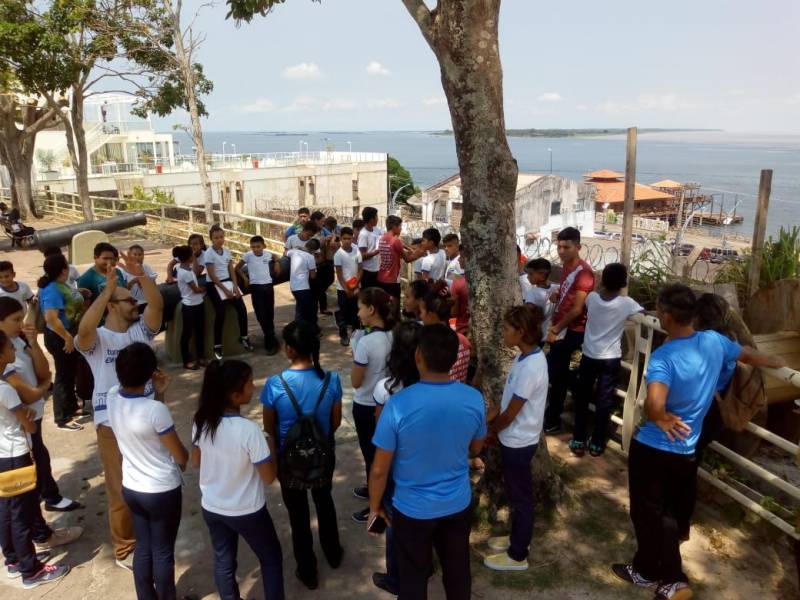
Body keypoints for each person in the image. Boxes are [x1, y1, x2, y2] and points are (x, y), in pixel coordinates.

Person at [612, 284, 783, 600]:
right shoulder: (715, 341)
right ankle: (649, 570)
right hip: (687, 447)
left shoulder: (665, 356)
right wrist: (778, 362)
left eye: (659, 311)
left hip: (653, 448)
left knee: (649, 513)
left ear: (666, 314)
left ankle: (667, 578)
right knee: (667, 513)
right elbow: (748, 354)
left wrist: (661, 418)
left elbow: (654, 403)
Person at [369, 324, 487, 600]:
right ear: (454, 357)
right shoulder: (473, 398)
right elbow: (476, 447)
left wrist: (375, 507)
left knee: (412, 577)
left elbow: (379, 468)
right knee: (458, 571)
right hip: (457, 503)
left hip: (412, 510)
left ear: (418, 356)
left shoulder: (398, 405)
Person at [76, 260, 164, 572]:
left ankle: (150, 536)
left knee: (152, 481)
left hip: (149, 420)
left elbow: (157, 303)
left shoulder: (142, 330)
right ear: (112, 305)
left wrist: (141, 276)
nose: (136, 304)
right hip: (111, 426)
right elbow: (83, 330)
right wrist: (107, 292)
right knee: (119, 487)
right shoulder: (97, 339)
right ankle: (125, 548)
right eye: (129, 300)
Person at [261, 321, 344, 590]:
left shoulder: (275, 385)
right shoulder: (331, 380)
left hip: (289, 463)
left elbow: (269, 428)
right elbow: (335, 422)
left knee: (298, 516)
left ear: (289, 349)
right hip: (322, 457)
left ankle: (307, 571)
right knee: (325, 503)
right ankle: (333, 554)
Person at [193, 359, 284, 600]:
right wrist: (271, 443)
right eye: (249, 383)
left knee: (223, 561)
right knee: (270, 557)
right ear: (235, 395)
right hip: (247, 511)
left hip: (212, 506)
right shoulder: (249, 430)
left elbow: (197, 461)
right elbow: (269, 477)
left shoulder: (201, 420)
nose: (254, 386)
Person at [108, 343, 188, 600]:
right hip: (161, 490)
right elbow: (180, 455)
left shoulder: (111, 396)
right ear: (151, 373)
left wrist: (159, 394)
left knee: (144, 547)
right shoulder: (155, 411)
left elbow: (148, 424)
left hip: (132, 486)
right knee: (163, 550)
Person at [0, 330, 73, 588]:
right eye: (9, 346)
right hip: (16, 455)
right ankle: (31, 571)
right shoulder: (6, 391)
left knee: (7, 512)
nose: (13, 350)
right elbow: (29, 427)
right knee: (22, 513)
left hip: (2, 456)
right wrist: (27, 416)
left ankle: (14, 560)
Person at [0, 297, 82, 512]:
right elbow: (28, 395)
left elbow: (44, 371)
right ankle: (47, 501)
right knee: (37, 461)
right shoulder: (3, 356)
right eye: (15, 319)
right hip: (21, 425)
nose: (22, 323)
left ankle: (47, 495)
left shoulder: (17, 342)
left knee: (40, 456)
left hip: (33, 417)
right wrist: (45, 386)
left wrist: (33, 343)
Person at [484, 305, 548, 571]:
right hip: (513, 438)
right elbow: (506, 402)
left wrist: (491, 431)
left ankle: (518, 555)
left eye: (507, 328)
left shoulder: (532, 366)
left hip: (519, 441)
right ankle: (517, 538)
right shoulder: (524, 358)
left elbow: (510, 414)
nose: (503, 332)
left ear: (522, 332)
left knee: (521, 497)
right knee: (515, 491)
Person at [370, 320, 422, 596]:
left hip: (396, 464)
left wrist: (373, 504)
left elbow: (381, 429)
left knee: (393, 520)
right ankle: (423, 567)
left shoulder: (386, 389)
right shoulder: (433, 385)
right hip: (426, 460)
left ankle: (396, 578)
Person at [570, 263, 643, 457]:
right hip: (610, 359)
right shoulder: (626, 303)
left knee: (582, 397)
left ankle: (578, 438)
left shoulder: (592, 298)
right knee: (604, 400)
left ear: (603, 280)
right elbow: (643, 313)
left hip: (589, 355)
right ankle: (597, 442)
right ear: (623, 283)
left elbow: (588, 303)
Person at [543, 227, 595, 433]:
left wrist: (555, 329)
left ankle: (553, 419)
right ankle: (554, 415)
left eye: (566, 247)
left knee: (556, 375)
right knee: (556, 374)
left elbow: (576, 309)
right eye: (559, 246)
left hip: (572, 330)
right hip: (562, 327)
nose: (561, 251)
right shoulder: (567, 267)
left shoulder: (584, 273)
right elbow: (568, 295)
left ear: (578, 247)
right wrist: (557, 294)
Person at [350, 287, 394, 523]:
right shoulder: (393, 335)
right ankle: (374, 489)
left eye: (359, 307)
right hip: (388, 401)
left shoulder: (366, 342)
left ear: (371, 309)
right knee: (381, 451)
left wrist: (355, 349)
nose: (357, 312)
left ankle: (375, 506)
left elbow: (355, 382)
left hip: (366, 403)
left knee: (371, 455)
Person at [38, 254, 85, 430]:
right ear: (64, 269)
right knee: (63, 376)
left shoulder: (59, 284)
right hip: (60, 337)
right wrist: (67, 338)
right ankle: (62, 418)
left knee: (69, 373)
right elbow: (51, 318)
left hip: (66, 335)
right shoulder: (52, 289)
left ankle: (72, 408)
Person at [204, 224, 253, 360]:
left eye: (221, 237)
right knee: (220, 312)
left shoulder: (226, 251)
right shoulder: (209, 253)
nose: (219, 240)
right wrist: (225, 290)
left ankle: (244, 337)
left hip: (228, 281)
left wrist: (235, 287)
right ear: (211, 239)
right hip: (214, 284)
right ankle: (217, 345)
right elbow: (212, 275)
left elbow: (231, 269)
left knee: (242, 308)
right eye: (216, 238)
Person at [236, 235, 280, 355]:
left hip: (268, 287)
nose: (256, 249)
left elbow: (275, 257)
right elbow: (237, 268)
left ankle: (270, 340)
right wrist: (245, 278)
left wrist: (276, 262)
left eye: (258, 246)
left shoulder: (268, 254)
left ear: (263, 246)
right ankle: (270, 340)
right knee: (260, 314)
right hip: (256, 288)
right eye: (253, 247)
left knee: (269, 313)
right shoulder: (248, 256)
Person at [419, 282, 471, 383]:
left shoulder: (430, 344)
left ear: (431, 315)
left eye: (421, 312)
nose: (420, 317)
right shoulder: (464, 341)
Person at [175, 245, 206, 370]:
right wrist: (206, 288)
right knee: (187, 334)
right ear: (189, 257)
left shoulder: (184, 268)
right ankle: (186, 360)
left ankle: (200, 356)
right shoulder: (185, 273)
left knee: (199, 332)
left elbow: (195, 268)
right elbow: (196, 290)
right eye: (192, 254)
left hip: (197, 304)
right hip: (190, 306)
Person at [377, 215, 419, 300]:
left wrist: (408, 248)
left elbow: (394, 250)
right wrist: (419, 254)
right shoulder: (396, 240)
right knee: (394, 306)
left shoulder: (382, 238)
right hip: (392, 279)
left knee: (384, 305)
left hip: (381, 277)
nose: (401, 229)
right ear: (393, 227)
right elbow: (407, 259)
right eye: (400, 226)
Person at [333, 227, 363, 347]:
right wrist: (347, 289)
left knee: (356, 311)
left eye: (349, 238)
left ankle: (356, 334)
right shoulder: (338, 255)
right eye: (344, 238)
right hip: (343, 288)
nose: (347, 241)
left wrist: (356, 285)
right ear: (341, 238)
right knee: (343, 311)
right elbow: (339, 275)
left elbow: (361, 268)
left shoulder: (356, 250)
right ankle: (343, 334)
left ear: (353, 238)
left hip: (355, 286)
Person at [287, 238, 319, 330]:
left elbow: (286, 253)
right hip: (303, 287)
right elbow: (313, 276)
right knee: (305, 311)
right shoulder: (310, 257)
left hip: (293, 286)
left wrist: (298, 248)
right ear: (314, 250)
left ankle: (299, 329)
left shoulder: (294, 252)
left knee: (300, 307)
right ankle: (299, 331)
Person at [121, 245, 158, 314]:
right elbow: (124, 289)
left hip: (148, 301)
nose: (137, 257)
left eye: (140, 254)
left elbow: (154, 284)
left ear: (143, 256)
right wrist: (134, 281)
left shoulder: (147, 268)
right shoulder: (124, 271)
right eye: (134, 254)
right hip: (134, 304)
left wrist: (145, 282)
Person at [358, 207, 383, 289]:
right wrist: (376, 252)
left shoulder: (376, 230)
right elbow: (362, 256)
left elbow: (385, 236)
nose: (377, 219)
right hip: (367, 271)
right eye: (376, 217)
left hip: (376, 269)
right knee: (367, 295)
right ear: (371, 219)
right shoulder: (363, 234)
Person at [449, 253, 470, 335]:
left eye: (461, 256)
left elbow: (453, 313)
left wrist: (452, 331)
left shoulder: (458, 284)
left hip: (460, 330)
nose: (458, 259)